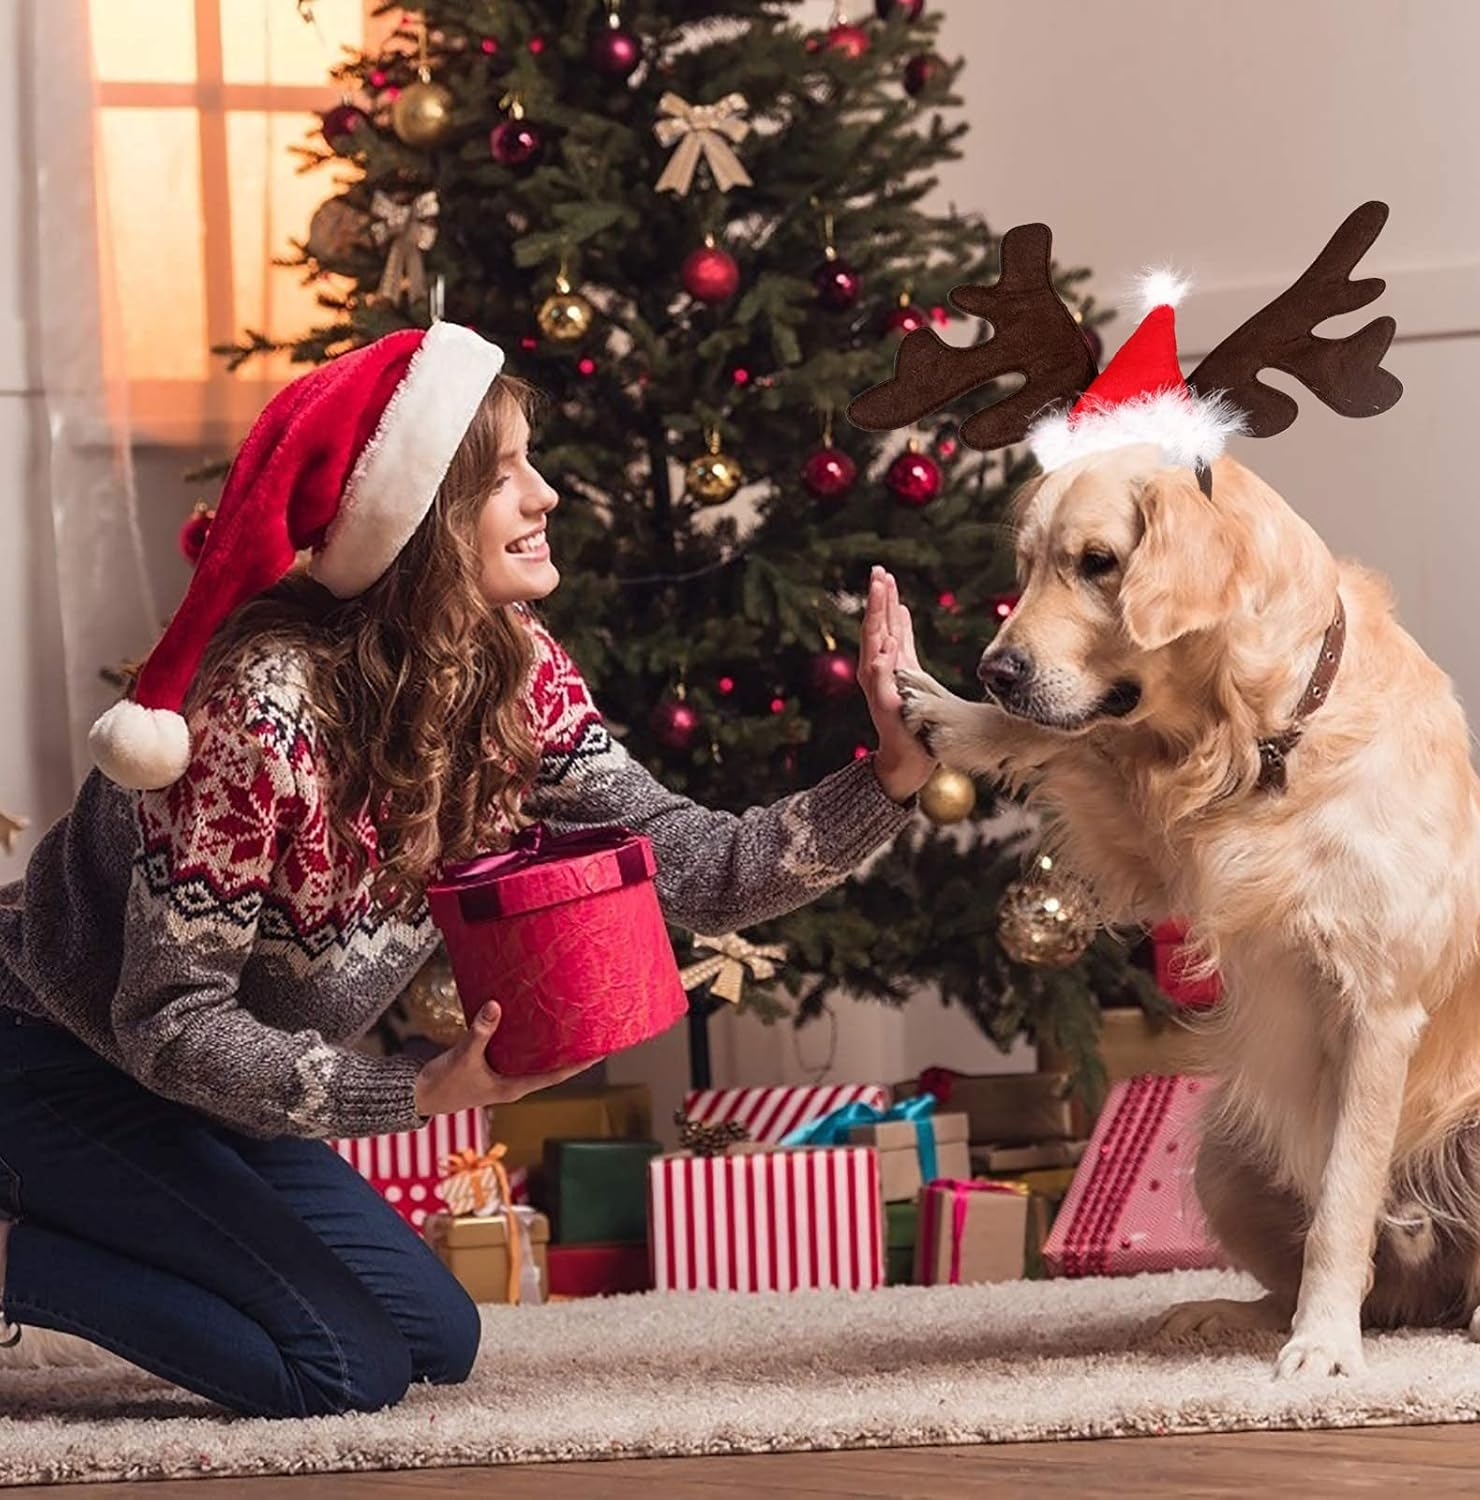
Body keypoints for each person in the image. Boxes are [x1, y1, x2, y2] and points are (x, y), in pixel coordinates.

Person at [0, 323, 933, 1417]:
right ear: (418, 520)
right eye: (503, 477)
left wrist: (892, 777)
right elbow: (169, 1021)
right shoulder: (255, 720)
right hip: (57, 1058)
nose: (545, 495)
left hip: (220, 1088)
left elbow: (688, 863)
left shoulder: (511, 672)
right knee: (338, 1367)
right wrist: (413, 1091)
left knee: (434, 1338)